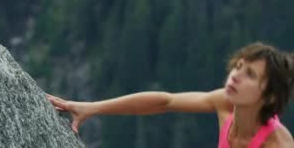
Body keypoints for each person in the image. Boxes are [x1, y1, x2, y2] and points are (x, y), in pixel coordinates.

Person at [47, 42, 294, 147]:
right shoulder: (225, 103)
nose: (236, 76)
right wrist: (91, 108)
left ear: (270, 96)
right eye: (238, 66)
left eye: (250, 74)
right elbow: (165, 101)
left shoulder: (277, 144)